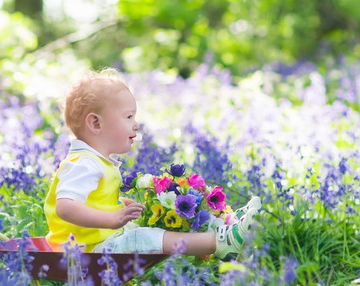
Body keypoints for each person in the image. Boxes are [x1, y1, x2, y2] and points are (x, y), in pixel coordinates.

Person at [43, 69, 260, 260]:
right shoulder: (83, 164)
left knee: (148, 226)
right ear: (96, 123)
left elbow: (89, 201)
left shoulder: (95, 162)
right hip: (83, 252)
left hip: (97, 244)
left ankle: (225, 224)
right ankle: (222, 243)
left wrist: (116, 205)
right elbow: (65, 207)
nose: (136, 125)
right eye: (128, 117)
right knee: (142, 237)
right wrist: (112, 217)